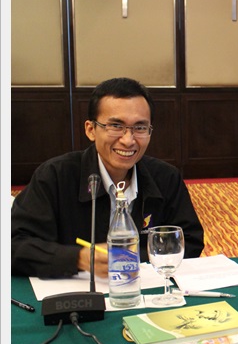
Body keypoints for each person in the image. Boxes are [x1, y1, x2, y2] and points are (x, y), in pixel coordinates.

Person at [12, 77, 205, 278]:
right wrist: (78, 258)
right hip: (74, 290)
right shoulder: (55, 176)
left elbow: (189, 241)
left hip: (144, 286)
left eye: (140, 128)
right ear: (91, 130)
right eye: (116, 126)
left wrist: (131, 259)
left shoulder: (165, 177)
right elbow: (14, 245)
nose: (128, 140)